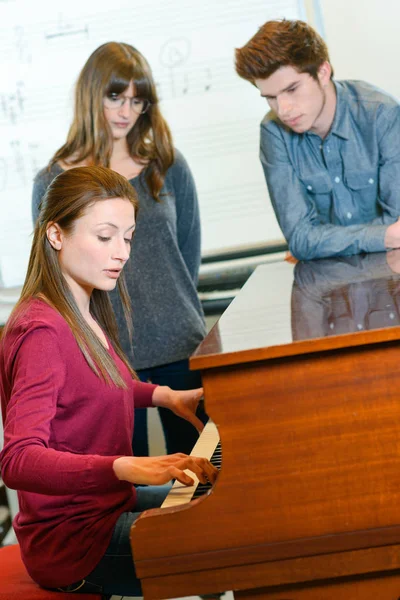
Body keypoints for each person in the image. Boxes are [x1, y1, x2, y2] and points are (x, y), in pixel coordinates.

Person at [0, 166, 217, 597]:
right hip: (75, 542)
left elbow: (94, 385)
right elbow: (17, 461)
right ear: (56, 235)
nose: (122, 253)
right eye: (104, 237)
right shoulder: (42, 332)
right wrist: (124, 466)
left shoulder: (83, 309)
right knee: (224, 541)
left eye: (128, 237)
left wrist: (165, 396)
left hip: (112, 505)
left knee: (226, 506)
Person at [32, 41, 207, 457]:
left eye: (137, 100)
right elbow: (55, 272)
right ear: (92, 94)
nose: (127, 111)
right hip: (102, 354)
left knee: (203, 470)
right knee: (124, 481)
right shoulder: (54, 181)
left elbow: (188, 253)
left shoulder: (167, 163)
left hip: (180, 343)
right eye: (116, 96)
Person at [235, 19, 400, 261]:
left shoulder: (381, 114)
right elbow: (300, 238)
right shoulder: (274, 132)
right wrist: (380, 236)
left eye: (292, 89)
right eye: (270, 97)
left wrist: (324, 241)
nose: (283, 109)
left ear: (323, 72)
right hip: (329, 284)